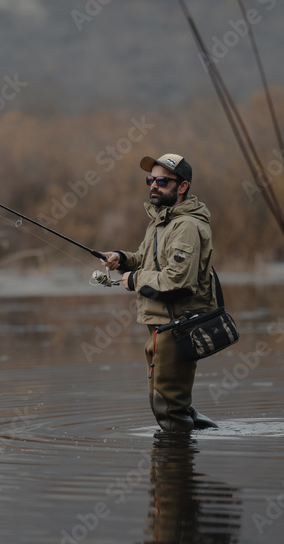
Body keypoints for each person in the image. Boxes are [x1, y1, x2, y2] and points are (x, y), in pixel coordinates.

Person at [100, 153, 218, 432]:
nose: (154, 185)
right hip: (161, 325)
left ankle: (175, 460)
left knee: (168, 408)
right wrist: (121, 259)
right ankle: (188, 447)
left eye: (162, 181)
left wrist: (135, 279)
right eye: (150, 180)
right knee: (169, 404)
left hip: (179, 324)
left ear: (183, 186)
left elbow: (178, 280)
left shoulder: (187, 226)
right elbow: (145, 259)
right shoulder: (160, 222)